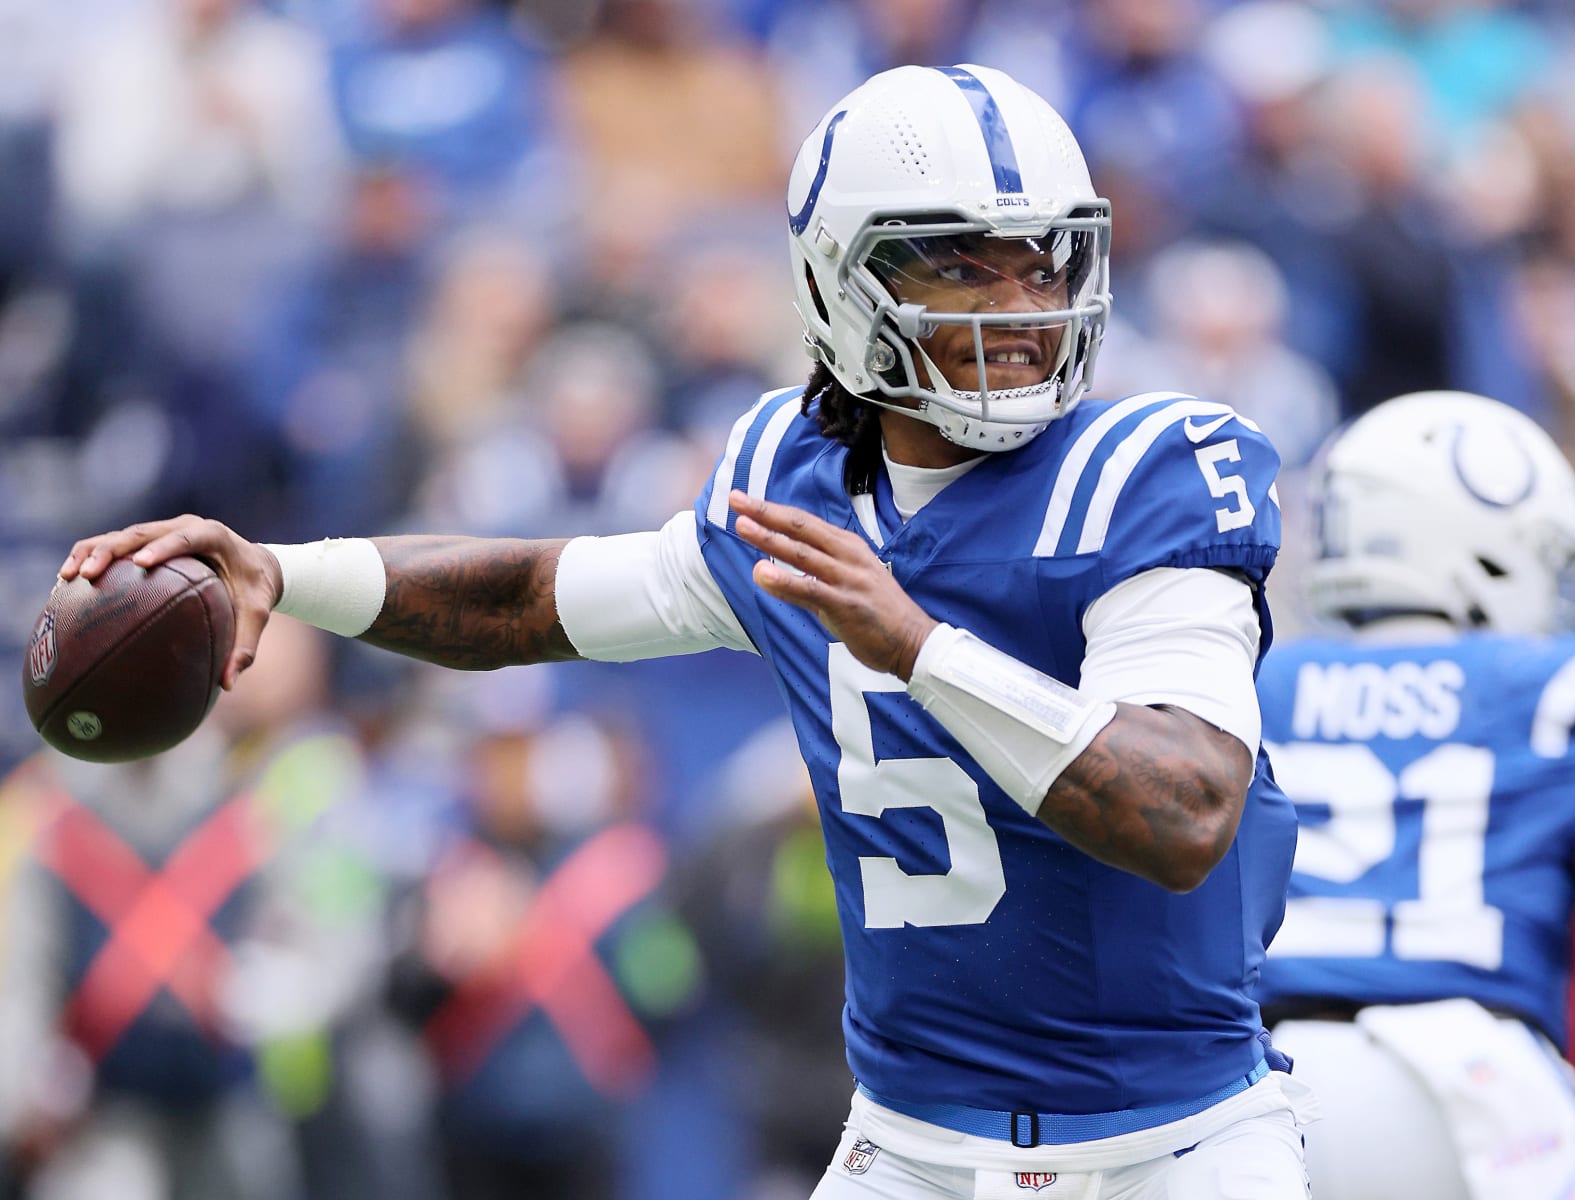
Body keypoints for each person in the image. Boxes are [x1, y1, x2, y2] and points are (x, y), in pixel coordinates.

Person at [58, 64, 1309, 1197]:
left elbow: (1185, 810)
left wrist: (920, 649)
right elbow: (532, 598)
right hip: (914, 1142)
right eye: (963, 267)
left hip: (1174, 1141)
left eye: (1044, 263)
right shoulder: (793, 477)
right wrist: (282, 570)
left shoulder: (1148, 474)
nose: (1021, 308)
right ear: (838, 282)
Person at [1253, 391, 1575, 1200]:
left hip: (1261, 1095)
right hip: (1478, 1091)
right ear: (1485, 546)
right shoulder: (1563, 691)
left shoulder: (1252, 684)